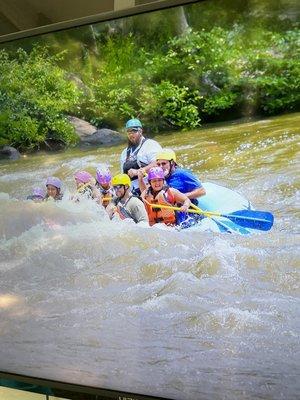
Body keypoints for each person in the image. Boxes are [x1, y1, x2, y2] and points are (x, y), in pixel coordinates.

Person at [120, 118, 162, 195]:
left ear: (140, 131)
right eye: (128, 132)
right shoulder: (124, 152)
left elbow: (158, 164)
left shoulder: (150, 145)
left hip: (149, 187)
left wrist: (139, 171)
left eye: (134, 131)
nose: (131, 134)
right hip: (130, 191)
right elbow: (123, 174)